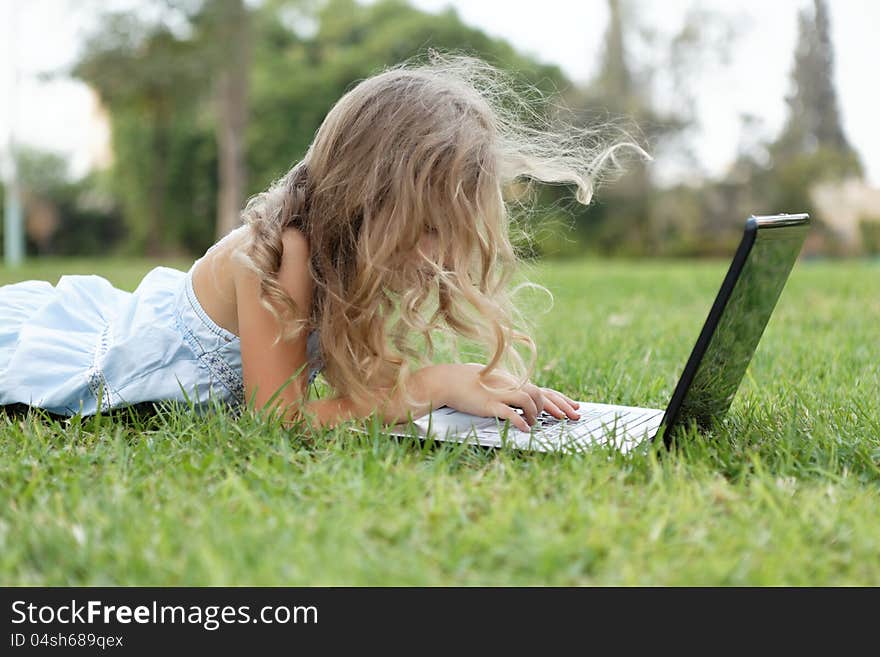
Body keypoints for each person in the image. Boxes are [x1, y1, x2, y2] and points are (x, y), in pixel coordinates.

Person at [0, 52, 644, 434]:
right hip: (87, 344)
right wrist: (427, 387)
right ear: (370, 199)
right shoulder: (283, 253)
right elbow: (277, 418)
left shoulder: (344, 251)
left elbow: (347, 386)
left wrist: (470, 387)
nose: (445, 258)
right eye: (430, 230)